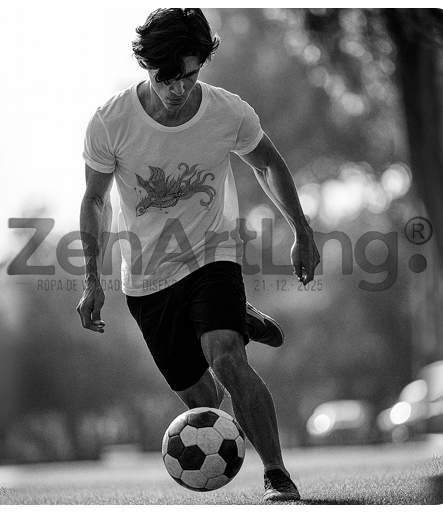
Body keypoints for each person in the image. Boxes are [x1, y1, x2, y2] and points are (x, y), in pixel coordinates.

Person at [77, 8, 320, 502]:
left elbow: (268, 165)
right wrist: (91, 280)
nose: (179, 88)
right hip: (146, 279)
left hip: (212, 255)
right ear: (147, 65)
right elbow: (94, 200)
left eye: (189, 75)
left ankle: (277, 474)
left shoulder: (228, 112)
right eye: (167, 78)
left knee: (227, 360)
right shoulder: (110, 122)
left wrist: (302, 230)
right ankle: (238, 317)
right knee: (204, 400)